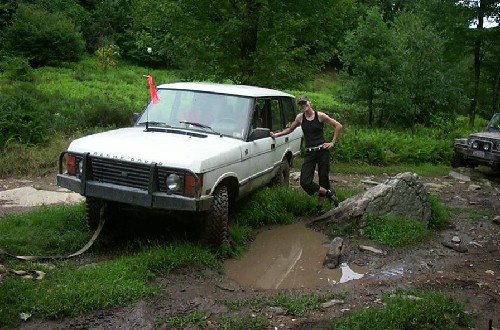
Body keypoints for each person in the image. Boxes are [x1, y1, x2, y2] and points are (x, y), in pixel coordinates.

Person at [270, 95, 343, 216]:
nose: (304, 105)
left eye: (305, 103)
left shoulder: (320, 116)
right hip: (310, 152)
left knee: (323, 177)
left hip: (322, 151)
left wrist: (332, 143)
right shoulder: (300, 118)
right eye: (301, 104)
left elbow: (338, 126)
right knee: (304, 181)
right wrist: (277, 135)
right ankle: (329, 193)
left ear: (310, 102)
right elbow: (290, 129)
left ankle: (319, 208)